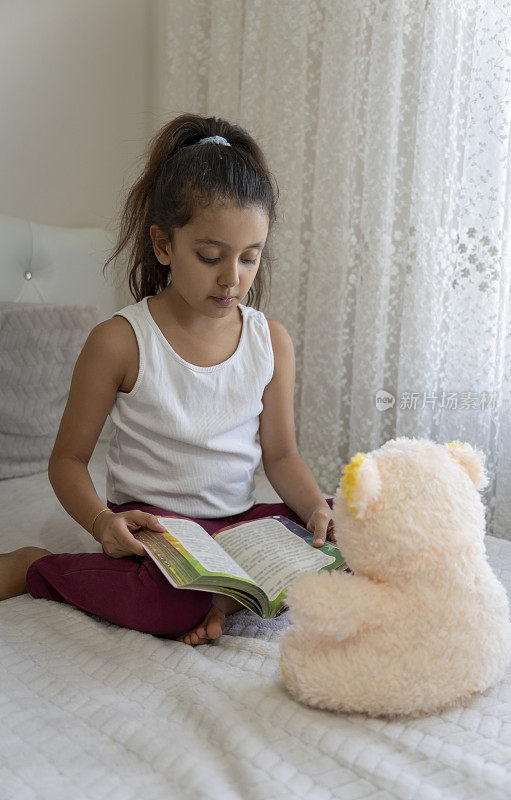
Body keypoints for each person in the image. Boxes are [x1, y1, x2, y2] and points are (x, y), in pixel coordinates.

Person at [0, 113, 337, 646]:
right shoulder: (120, 341)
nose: (233, 278)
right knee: (171, 602)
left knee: (358, 530)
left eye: (251, 258)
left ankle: (221, 597)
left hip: (239, 523)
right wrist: (99, 523)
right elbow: (66, 461)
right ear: (163, 246)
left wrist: (317, 509)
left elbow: (282, 456)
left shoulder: (270, 340)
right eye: (210, 257)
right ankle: (35, 568)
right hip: (157, 530)